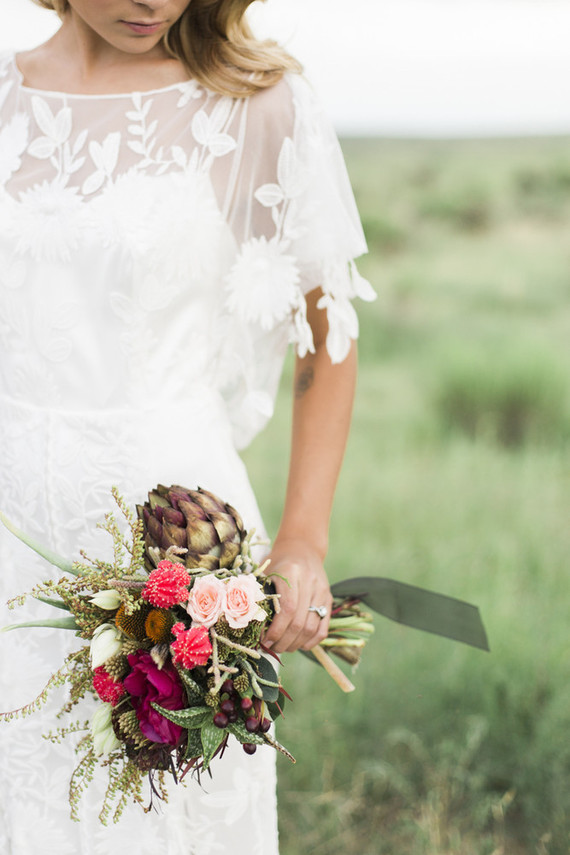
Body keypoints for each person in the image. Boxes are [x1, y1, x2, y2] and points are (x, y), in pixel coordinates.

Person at [0, 1, 375, 852]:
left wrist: (305, 540)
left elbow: (329, 336)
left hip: (173, 548)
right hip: (9, 534)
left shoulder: (258, 103)